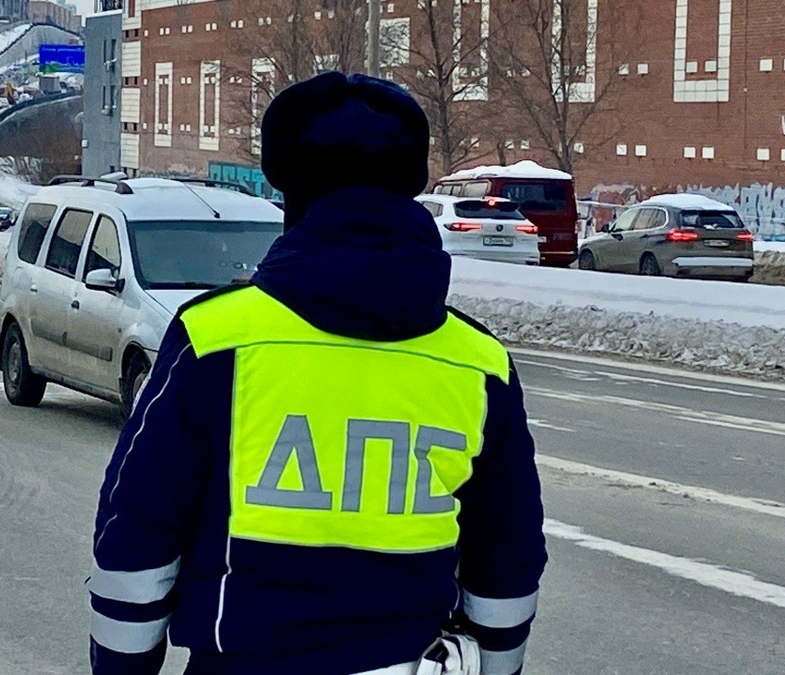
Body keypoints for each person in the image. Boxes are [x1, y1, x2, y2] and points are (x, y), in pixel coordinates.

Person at [88, 72, 547, 675]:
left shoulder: (216, 339)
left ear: (290, 191)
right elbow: (507, 558)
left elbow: (137, 538)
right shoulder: (478, 362)